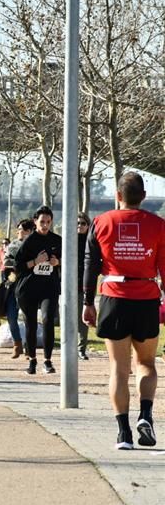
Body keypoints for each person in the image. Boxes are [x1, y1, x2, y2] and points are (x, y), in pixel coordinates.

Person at [83, 172, 165, 450]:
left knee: (119, 368)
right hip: (146, 298)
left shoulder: (101, 222)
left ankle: (123, 434)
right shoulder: (158, 225)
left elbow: (90, 266)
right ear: (143, 197)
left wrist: (87, 301)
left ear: (118, 196)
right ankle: (145, 414)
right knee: (147, 364)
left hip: (113, 298)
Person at [14, 205, 62, 376]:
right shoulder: (29, 241)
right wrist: (35, 261)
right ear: (35, 222)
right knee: (31, 323)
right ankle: (32, 360)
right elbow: (17, 266)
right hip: (29, 288)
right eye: (42, 222)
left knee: (48, 319)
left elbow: (66, 260)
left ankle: (48, 361)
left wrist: (58, 263)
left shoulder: (57, 240)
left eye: (48, 222)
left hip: (49, 287)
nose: (45, 225)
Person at [1, 219, 34, 359]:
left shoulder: (34, 245)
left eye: (24, 229)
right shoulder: (12, 246)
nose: (21, 232)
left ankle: (29, 347)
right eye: (19, 229)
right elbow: (7, 263)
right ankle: (17, 344)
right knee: (11, 316)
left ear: (31, 231)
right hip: (13, 284)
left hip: (28, 285)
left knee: (28, 317)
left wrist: (23, 264)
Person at [76, 212, 92, 360]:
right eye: (77, 223)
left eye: (83, 223)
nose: (79, 226)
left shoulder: (90, 242)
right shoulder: (68, 241)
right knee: (69, 317)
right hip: (69, 285)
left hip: (84, 285)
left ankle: (81, 348)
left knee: (83, 318)